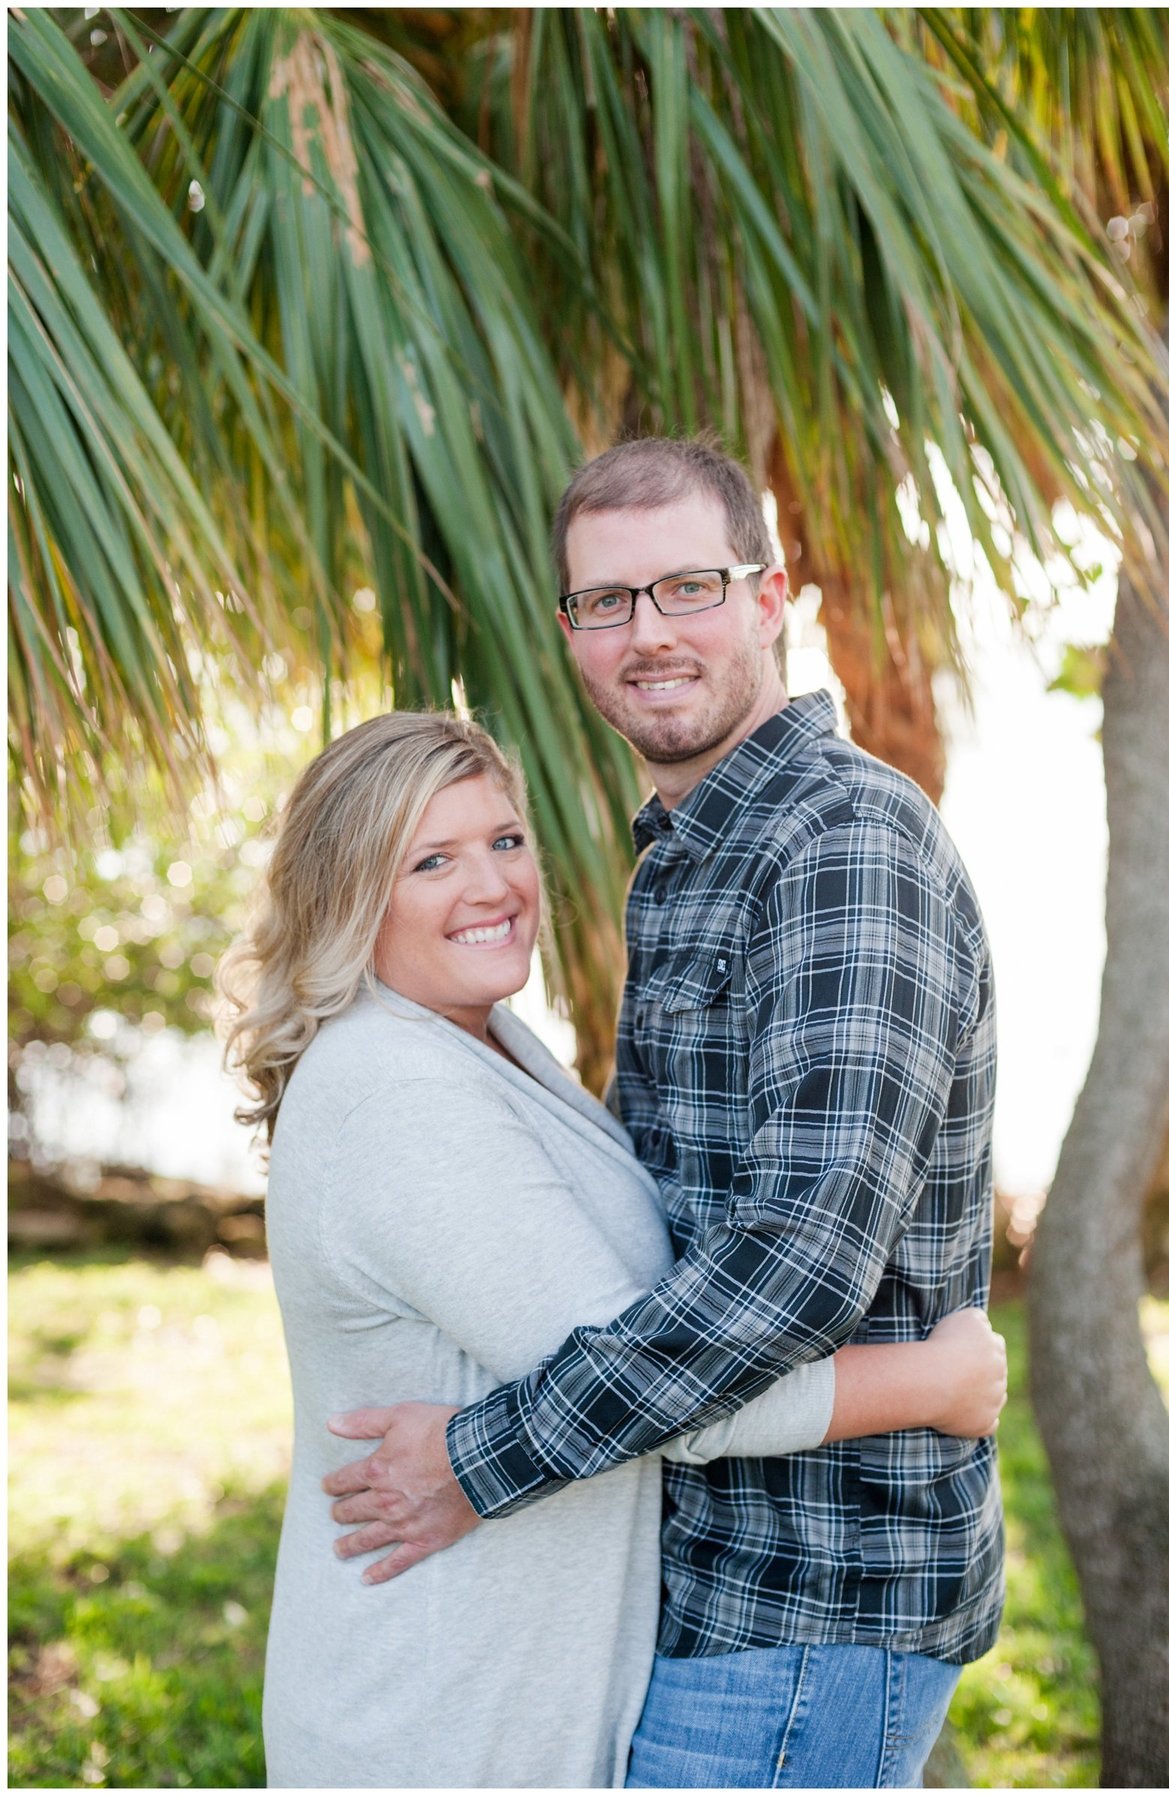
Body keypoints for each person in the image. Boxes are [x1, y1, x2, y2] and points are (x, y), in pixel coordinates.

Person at [323, 438, 1007, 1789]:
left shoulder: (839, 842)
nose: (648, 635)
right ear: (570, 632)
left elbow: (797, 1266)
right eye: (606, 602)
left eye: (688, 586)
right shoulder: (693, 854)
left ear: (769, 598)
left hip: (808, 1600)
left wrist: (484, 1459)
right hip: (714, 1584)